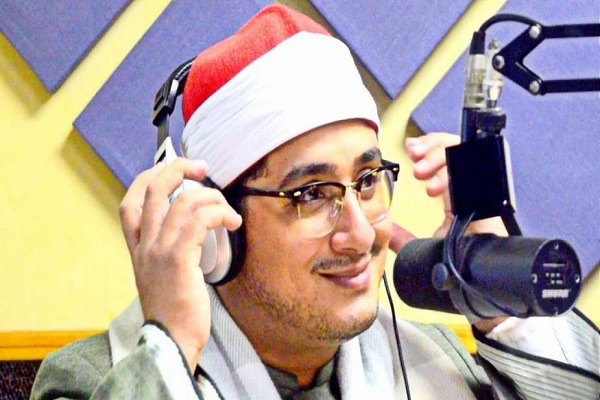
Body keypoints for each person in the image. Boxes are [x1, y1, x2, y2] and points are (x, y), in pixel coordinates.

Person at [31, 4, 599, 399]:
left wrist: (499, 301)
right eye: (311, 194)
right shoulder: (92, 380)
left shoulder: (432, 364)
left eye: (368, 180)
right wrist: (170, 350)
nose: (361, 235)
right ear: (217, 233)